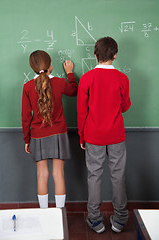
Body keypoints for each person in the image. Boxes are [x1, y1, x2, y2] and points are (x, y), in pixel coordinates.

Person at [77, 37, 131, 233]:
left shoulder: (87, 78)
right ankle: (120, 219)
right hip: (116, 134)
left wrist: (82, 136)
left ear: (95, 55)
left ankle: (95, 220)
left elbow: (81, 111)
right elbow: (125, 106)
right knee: (118, 175)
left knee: (94, 176)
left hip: (93, 135)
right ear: (115, 54)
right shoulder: (122, 78)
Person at [22, 50, 78, 209]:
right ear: (50, 66)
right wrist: (70, 73)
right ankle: (59, 214)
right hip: (59, 134)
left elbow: (25, 117)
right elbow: (74, 90)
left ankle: (44, 214)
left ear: (33, 68)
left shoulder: (27, 87)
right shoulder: (59, 83)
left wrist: (27, 139)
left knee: (42, 174)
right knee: (58, 174)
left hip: (37, 136)